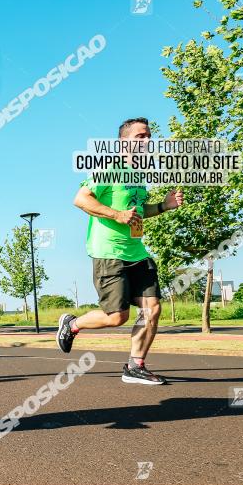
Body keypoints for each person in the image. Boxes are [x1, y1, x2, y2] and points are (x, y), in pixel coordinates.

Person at [56, 117, 184, 385]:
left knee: (153, 309)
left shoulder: (139, 175)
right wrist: (116, 214)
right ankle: (72, 324)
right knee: (117, 317)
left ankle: (135, 366)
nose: (147, 141)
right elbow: (80, 199)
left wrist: (163, 205)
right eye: (140, 137)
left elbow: (138, 210)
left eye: (149, 136)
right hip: (108, 252)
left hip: (137, 251)